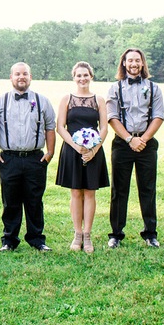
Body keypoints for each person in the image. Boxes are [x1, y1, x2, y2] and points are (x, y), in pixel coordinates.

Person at [0, 62, 55, 252]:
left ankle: (37, 239)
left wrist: (49, 153)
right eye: (17, 74)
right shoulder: (0, 101)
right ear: (11, 77)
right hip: (9, 159)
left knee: (35, 200)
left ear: (30, 77)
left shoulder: (42, 101)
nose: (21, 77)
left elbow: (50, 127)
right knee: (10, 201)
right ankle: (9, 240)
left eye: (25, 74)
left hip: (35, 158)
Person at [106, 48, 164, 248]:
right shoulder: (115, 88)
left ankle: (150, 233)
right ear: (124, 63)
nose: (133, 64)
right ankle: (116, 234)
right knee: (119, 190)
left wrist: (143, 139)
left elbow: (158, 116)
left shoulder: (154, 88)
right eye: (130, 60)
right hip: (122, 143)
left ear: (142, 63)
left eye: (137, 60)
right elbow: (112, 117)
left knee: (148, 189)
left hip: (146, 144)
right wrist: (130, 139)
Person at [55, 61, 109, 253]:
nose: (82, 79)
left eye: (85, 75)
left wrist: (94, 149)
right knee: (76, 192)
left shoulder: (99, 100)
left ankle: (87, 235)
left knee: (90, 192)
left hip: (94, 150)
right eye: (79, 75)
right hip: (72, 149)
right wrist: (76, 146)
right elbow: (60, 127)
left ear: (91, 77)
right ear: (74, 77)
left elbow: (104, 128)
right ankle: (77, 233)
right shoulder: (66, 99)